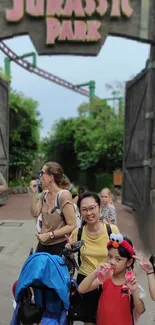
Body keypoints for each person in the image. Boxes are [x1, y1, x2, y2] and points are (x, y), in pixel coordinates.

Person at [66, 191, 119, 325]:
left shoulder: (112, 230)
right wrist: (69, 250)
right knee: (89, 321)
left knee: (109, 319)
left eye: (92, 208)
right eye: (84, 209)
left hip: (109, 282)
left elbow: (121, 256)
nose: (88, 213)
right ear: (80, 212)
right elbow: (71, 260)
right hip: (86, 281)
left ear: (99, 208)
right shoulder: (77, 233)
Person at [78, 233, 145, 325]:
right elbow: (81, 289)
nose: (112, 262)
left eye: (118, 259)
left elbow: (140, 310)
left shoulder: (131, 283)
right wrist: (95, 273)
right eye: (109, 256)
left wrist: (134, 291)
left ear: (129, 262)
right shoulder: (104, 278)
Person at [29, 161, 76, 255]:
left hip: (59, 247)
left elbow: (72, 225)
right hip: (42, 245)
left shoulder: (64, 195)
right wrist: (32, 194)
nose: (40, 176)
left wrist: (50, 235)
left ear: (51, 177)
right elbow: (35, 213)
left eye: (42, 173)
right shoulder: (44, 194)